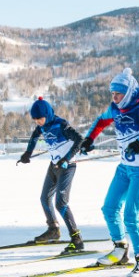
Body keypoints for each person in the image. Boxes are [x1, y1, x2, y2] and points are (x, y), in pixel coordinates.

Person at [79, 68, 139, 277]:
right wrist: (89, 139)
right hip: (124, 169)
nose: (114, 97)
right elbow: (101, 121)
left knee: (131, 215)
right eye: (112, 94)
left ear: (129, 93)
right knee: (109, 208)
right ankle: (120, 250)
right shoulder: (115, 109)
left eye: (118, 93)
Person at [18, 97, 86, 253]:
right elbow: (34, 136)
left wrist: (66, 158)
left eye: (40, 119)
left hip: (67, 166)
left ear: (47, 114)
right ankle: (53, 229)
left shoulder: (61, 125)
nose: (38, 123)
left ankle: (77, 239)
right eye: (35, 120)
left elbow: (80, 140)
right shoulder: (42, 127)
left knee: (61, 203)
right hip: (54, 166)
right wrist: (28, 153)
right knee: (44, 198)